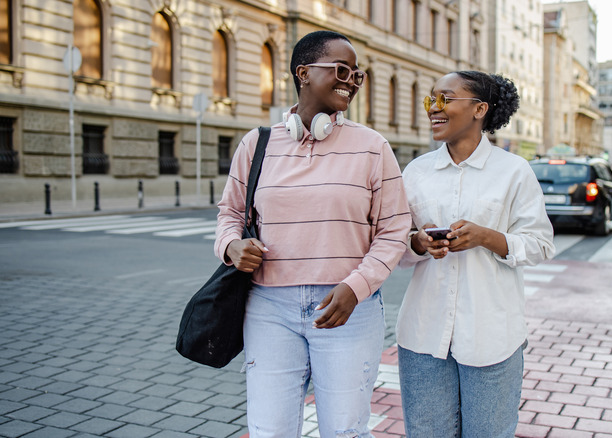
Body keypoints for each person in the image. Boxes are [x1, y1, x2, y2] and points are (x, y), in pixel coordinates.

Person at [214, 30, 411, 438]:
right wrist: (232, 246)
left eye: (358, 75)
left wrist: (356, 287)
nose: (352, 81)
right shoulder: (257, 144)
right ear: (303, 72)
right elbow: (230, 213)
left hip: (347, 310)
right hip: (268, 308)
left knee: (344, 431)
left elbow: (395, 231)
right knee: (269, 430)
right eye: (341, 70)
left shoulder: (373, 147)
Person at [395, 71, 556, 437]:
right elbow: (397, 246)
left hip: (492, 337)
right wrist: (418, 243)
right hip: (423, 334)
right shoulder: (415, 172)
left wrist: (488, 237)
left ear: (479, 109)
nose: (434, 108)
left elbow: (541, 243)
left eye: (446, 99)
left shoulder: (514, 170)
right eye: (431, 100)